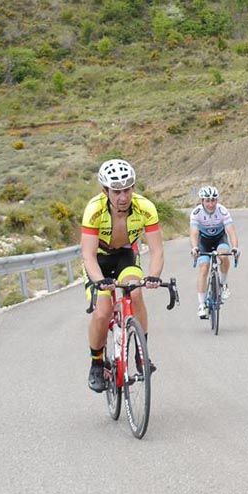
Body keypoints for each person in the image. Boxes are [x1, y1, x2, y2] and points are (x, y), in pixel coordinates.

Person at [80, 159, 165, 392]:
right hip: (98, 259)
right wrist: (99, 282)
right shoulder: (94, 209)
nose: (123, 196)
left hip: (126, 256)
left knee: (135, 293)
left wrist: (154, 276)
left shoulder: (145, 207)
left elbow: (157, 250)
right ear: (105, 191)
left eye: (127, 189)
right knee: (103, 311)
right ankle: (96, 363)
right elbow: (87, 255)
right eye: (117, 191)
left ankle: (140, 354)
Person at [189, 185, 240, 319]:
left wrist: (235, 247)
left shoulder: (222, 211)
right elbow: (194, 233)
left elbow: (231, 231)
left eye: (213, 200)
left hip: (219, 239)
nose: (211, 204)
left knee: (223, 255)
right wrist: (194, 248)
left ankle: (223, 284)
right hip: (203, 241)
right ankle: (201, 304)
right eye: (207, 200)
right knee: (204, 268)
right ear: (202, 201)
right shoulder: (196, 213)